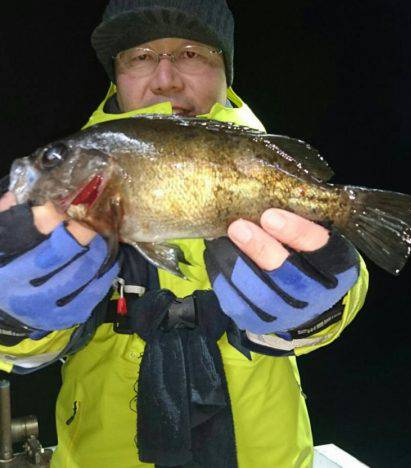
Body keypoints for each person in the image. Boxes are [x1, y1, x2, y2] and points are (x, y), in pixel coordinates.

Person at [0, 1, 369, 467]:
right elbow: (21, 352)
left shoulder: (264, 169)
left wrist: (324, 303)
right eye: (140, 56)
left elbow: (344, 283)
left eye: (192, 54)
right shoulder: (67, 192)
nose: (166, 79)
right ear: (117, 76)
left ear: (225, 73)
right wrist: (11, 316)